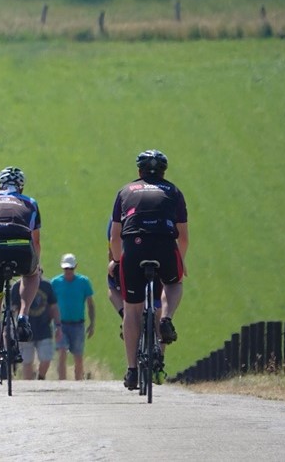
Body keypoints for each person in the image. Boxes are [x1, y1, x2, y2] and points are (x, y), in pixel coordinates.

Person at [110, 149, 188, 391]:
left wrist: (117, 260)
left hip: (134, 247)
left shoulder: (125, 191)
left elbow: (115, 235)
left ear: (139, 171)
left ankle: (132, 371)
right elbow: (183, 236)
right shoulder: (173, 191)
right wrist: (180, 261)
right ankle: (165, 318)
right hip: (164, 245)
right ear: (164, 171)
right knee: (174, 282)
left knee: (132, 311)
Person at [0, 166, 42, 385]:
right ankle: (23, 313)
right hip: (21, 247)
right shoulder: (30, 202)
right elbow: (36, 241)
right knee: (32, 274)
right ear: (21, 186)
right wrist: (34, 265)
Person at [9, 266, 59, 380]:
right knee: (27, 361)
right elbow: (13, 308)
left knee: (46, 359)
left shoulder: (47, 286)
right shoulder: (17, 287)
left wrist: (58, 325)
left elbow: (54, 307)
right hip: (25, 330)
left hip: (44, 328)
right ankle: (28, 385)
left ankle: (40, 377)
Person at [51, 254, 95, 380]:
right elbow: (51, 305)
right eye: (66, 269)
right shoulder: (55, 283)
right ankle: (62, 383)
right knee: (62, 353)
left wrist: (92, 323)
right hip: (61, 324)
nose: (68, 271)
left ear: (75, 267)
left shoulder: (83, 282)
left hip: (78, 324)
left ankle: (78, 383)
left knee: (78, 356)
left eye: (71, 269)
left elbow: (90, 304)